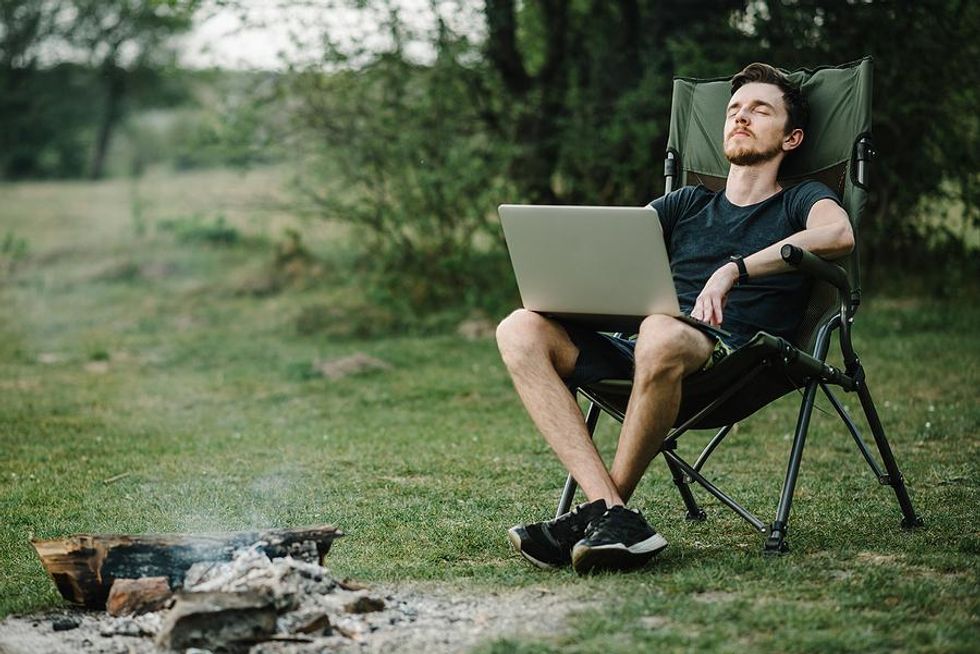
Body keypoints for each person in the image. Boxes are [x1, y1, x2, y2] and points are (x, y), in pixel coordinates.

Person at [495, 63, 855, 575]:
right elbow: (613, 258)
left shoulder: (802, 200)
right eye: (734, 110)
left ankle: (597, 517)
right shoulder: (686, 203)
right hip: (641, 345)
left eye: (759, 109)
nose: (741, 117)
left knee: (662, 330)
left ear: (792, 137)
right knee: (519, 327)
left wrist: (734, 269)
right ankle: (613, 514)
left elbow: (839, 236)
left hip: (734, 359)